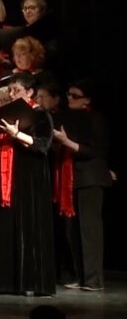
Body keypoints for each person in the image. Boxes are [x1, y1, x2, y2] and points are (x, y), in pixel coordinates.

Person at [0, 73, 55, 296]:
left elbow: (43, 145)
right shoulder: (11, 113)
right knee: (10, 225)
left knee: (29, 227)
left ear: (30, 92)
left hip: (30, 177)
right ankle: (8, 281)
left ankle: (31, 282)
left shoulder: (40, 114)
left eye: (16, 90)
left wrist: (17, 134)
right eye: (11, 91)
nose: (12, 94)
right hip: (12, 176)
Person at [53, 80, 110, 291]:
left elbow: (93, 151)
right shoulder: (68, 117)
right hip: (72, 179)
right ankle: (78, 275)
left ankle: (93, 279)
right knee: (71, 231)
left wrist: (66, 142)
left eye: (75, 96)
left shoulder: (94, 119)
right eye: (68, 94)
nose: (69, 99)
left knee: (89, 231)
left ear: (87, 100)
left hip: (90, 179)